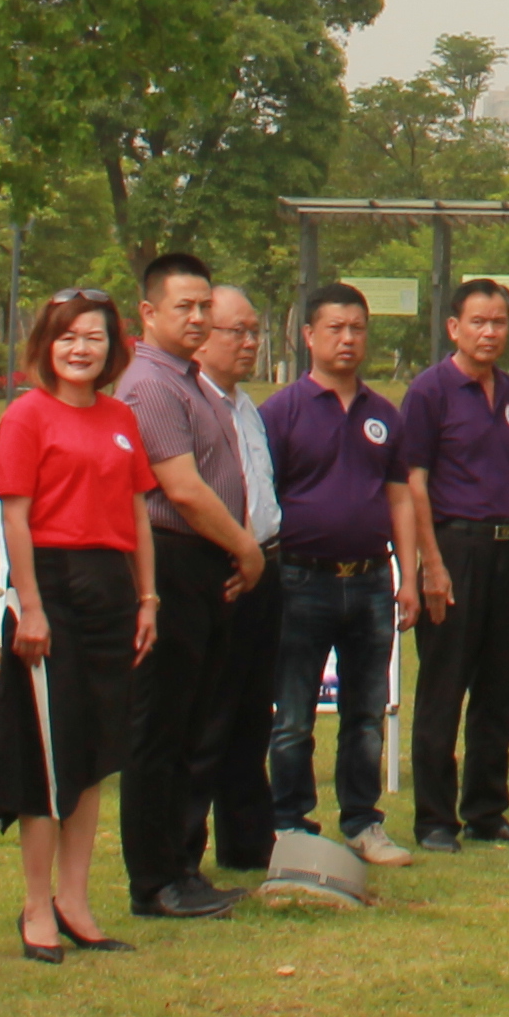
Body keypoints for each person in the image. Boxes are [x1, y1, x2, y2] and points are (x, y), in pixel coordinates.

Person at [0, 291, 151, 958]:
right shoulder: (27, 414)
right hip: (50, 585)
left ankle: (76, 902)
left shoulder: (119, 418)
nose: (81, 348)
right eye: (68, 337)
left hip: (112, 587)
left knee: (95, 754)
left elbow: (136, 515)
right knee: (50, 758)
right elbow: (13, 516)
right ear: (47, 344)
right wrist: (32, 605)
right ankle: (35, 906)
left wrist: (148, 599)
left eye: (95, 337)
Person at [111, 254, 257, 923]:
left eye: (205, 306)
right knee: (162, 729)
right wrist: (246, 545)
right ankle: (156, 879)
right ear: (148, 313)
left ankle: (183, 865)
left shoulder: (191, 380)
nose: (197, 318)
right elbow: (182, 489)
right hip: (172, 561)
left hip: (204, 565)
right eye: (183, 307)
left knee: (199, 724)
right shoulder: (150, 385)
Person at [256, 284, 421, 869]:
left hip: (373, 581)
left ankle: (362, 821)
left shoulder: (384, 414)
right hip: (303, 581)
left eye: (357, 328)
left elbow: (400, 498)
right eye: (335, 328)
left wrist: (409, 576)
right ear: (309, 336)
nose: (347, 339)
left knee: (366, 712)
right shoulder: (280, 412)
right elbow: (262, 499)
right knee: (294, 714)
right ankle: (289, 822)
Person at [401, 282, 509, 854]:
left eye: (500, 321)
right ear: (453, 326)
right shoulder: (429, 392)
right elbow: (414, 483)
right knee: (442, 688)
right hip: (455, 549)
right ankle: (434, 819)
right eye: (478, 321)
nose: (490, 332)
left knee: (499, 689)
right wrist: (431, 564)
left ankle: (487, 809)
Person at [201, 288, 288, 867]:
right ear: (201, 335)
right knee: (210, 715)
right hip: (221, 572)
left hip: (267, 569)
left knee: (255, 713)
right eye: (237, 332)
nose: (250, 343)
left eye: (254, 331)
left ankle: (248, 840)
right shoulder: (188, 404)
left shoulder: (247, 406)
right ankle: (183, 849)